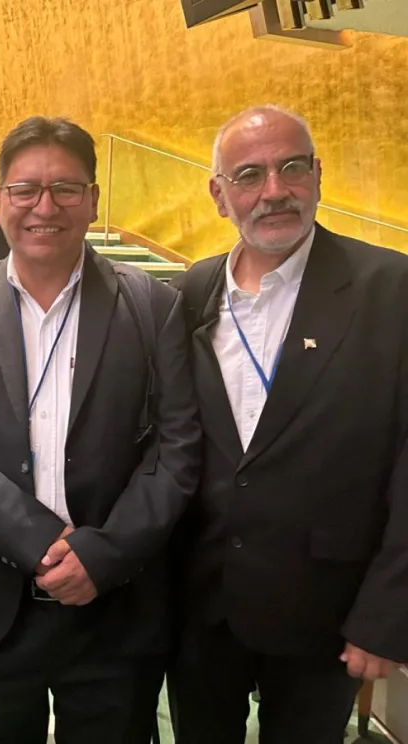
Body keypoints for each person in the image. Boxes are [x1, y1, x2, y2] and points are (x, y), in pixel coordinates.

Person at [0, 116, 201, 744]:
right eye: (25, 190)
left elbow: (177, 448)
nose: (45, 207)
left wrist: (101, 554)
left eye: (66, 189)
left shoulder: (153, 305)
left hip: (115, 606)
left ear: (94, 201)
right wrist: (44, 541)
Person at [167, 105, 408, 743]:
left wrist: (387, 616)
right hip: (202, 610)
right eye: (249, 175)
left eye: (291, 167)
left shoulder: (391, 289)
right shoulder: (192, 292)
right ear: (219, 195)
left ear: (318, 175)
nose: (274, 190)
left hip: (326, 614)